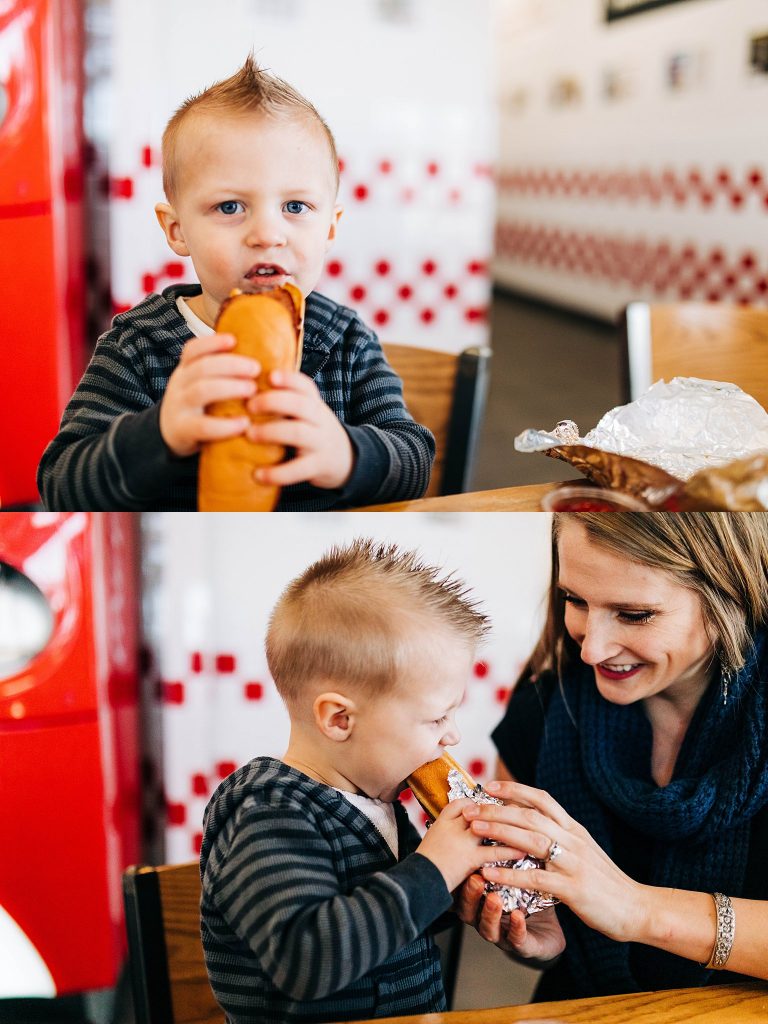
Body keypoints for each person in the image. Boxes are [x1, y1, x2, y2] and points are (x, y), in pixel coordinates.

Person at [37, 56, 434, 511]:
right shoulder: (138, 347)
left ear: (330, 228)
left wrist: (348, 454)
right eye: (230, 207)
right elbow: (61, 483)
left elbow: (416, 462)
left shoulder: (347, 340)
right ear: (177, 230)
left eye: (296, 207)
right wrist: (160, 432)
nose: (267, 233)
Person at [199, 539, 518, 1024]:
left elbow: (390, 924)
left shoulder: (376, 803)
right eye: (436, 718)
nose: (451, 736)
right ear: (340, 719)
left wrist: (464, 893)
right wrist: (435, 867)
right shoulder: (270, 812)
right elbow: (307, 960)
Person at [456, 512, 768, 998]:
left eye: (635, 614)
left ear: (732, 590)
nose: (591, 650)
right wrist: (540, 933)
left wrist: (638, 910)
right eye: (574, 600)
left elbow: (622, 908)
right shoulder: (541, 706)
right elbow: (551, 923)